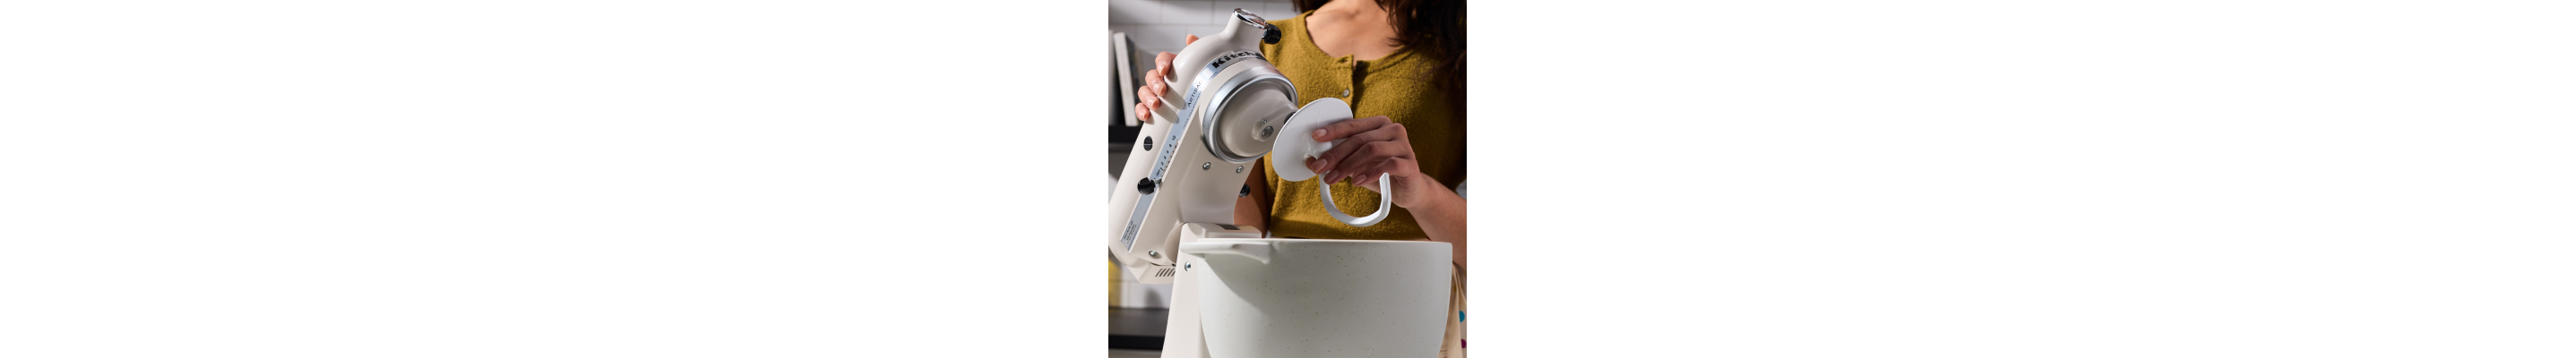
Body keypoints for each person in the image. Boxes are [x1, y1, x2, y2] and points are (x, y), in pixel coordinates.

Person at [1132, 0, 1465, 356]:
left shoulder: (1461, 38)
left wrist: (1420, 193)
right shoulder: (1265, 48)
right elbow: (1246, 228)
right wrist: (1198, 123)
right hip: (1275, 302)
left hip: (1411, 312)